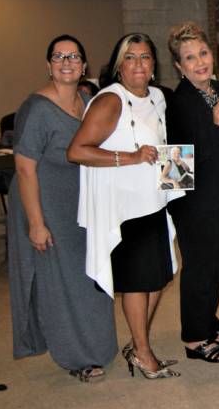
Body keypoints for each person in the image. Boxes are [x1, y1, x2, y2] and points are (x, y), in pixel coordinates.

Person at [67, 32, 181, 380]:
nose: (138, 64)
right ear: (118, 64)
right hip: (127, 210)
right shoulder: (110, 100)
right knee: (137, 283)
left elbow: (163, 145)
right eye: (130, 57)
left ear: (153, 64)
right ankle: (143, 354)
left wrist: (178, 181)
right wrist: (129, 157)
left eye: (145, 57)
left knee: (161, 277)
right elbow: (77, 150)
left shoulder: (158, 97)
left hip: (155, 204)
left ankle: (137, 343)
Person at [8, 35, 117, 382]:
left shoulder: (88, 100)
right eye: (59, 56)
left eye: (74, 56)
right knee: (60, 283)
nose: (66, 62)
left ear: (84, 65)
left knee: (89, 277)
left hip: (81, 205)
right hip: (45, 204)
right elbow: (24, 168)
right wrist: (36, 223)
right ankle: (74, 357)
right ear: (49, 65)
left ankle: (99, 346)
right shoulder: (36, 108)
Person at [165, 21, 219, 364]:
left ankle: (209, 324)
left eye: (203, 53)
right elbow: (175, 169)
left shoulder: (218, 89)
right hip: (193, 203)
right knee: (198, 269)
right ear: (179, 67)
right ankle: (195, 338)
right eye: (189, 58)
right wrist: (214, 125)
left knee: (215, 266)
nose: (199, 62)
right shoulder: (177, 102)